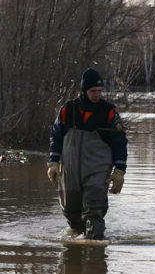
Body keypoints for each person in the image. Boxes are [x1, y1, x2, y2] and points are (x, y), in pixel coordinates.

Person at [47, 68, 127, 240]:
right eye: (93, 91)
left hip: (98, 171)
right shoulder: (68, 109)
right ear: (84, 90)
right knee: (71, 214)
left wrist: (120, 171)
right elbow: (56, 135)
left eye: (99, 91)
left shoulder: (109, 112)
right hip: (70, 170)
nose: (97, 94)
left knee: (94, 212)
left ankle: (95, 255)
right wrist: (53, 162)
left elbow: (120, 142)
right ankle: (75, 255)